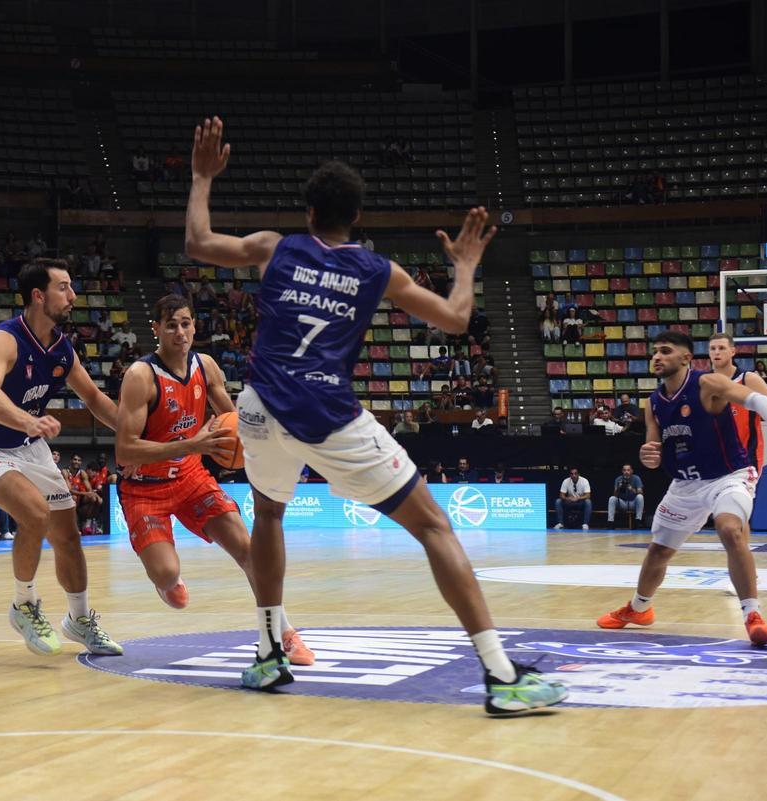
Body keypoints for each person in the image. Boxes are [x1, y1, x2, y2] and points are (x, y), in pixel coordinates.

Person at [184, 117, 566, 712]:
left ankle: (268, 653)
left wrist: (202, 177)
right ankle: (500, 676)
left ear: (308, 211)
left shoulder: (274, 248)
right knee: (435, 527)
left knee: (268, 515)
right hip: (327, 413)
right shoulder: (377, 270)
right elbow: (457, 319)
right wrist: (465, 265)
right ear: (356, 219)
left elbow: (199, 244)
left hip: (259, 405)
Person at [115, 294, 316, 666]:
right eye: (171, 324)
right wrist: (192, 443)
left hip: (191, 476)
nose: (180, 331)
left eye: (186, 323)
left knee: (249, 548)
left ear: (195, 327)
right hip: (145, 487)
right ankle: (166, 581)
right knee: (167, 574)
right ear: (156, 328)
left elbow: (233, 420)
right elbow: (124, 452)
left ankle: (283, 635)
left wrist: (266, 438)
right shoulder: (140, 376)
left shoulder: (205, 366)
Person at [0, 259, 123, 657]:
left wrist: (139, 433)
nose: (73, 296)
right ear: (38, 295)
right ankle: (23, 605)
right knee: (34, 512)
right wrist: (26, 421)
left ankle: (79, 620)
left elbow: (96, 399)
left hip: (28, 447)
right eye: (63, 287)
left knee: (68, 536)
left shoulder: (62, 349)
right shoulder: (6, 339)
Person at [596, 330, 767, 645]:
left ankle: (752, 614)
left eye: (665, 351)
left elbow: (758, 401)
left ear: (686, 358)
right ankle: (639, 609)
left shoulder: (708, 384)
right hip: (686, 485)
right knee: (659, 550)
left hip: (729, 475)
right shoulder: (653, 402)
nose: (657, 357)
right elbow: (653, 450)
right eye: (654, 352)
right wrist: (648, 454)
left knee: (730, 529)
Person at [709, 332, 767, 470]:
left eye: (721, 348)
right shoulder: (704, 382)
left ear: (732, 351)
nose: (716, 352)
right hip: (715, 457)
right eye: (712, 348)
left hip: (746, 457)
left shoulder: (748, 379)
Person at [608, 464, 644, 529]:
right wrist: (618, 488)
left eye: (628, 470)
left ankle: (638, 521)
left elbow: (641, 492)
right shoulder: (618, 479)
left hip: (633, 503)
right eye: (624, 470)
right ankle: (611, 522)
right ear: (622, 471)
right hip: (622, 503)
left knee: (640, 497)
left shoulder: (636, 478)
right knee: (612, 498)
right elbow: (614, 494)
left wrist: (632, 489)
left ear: (632, 471)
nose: (626, 472)